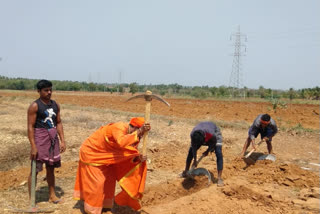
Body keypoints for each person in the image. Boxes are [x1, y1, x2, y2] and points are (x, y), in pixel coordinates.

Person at [73, 117, 151, 214]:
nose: (141, 136)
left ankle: (105, 207)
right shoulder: (119, 128)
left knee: (109, 180)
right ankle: (92, 210)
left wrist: (138, 158)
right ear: (135, 128)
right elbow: (121, 142)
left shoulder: (132, 135)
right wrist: (140, 131)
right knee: (98, 183)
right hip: (92, 154)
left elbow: (128, 152)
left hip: (107, 157)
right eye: (141, 133)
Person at [27, 79, 66, 204]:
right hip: (40, 138)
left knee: (51, 168)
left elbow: (58, 122)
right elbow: (30, 127)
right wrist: (33, 146)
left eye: (50, 90)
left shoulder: (55, 105)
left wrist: (62, 140)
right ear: (39, 91)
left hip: (52, 139)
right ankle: (32, 200)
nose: (49, 92)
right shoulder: (35, 106)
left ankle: (52, 195)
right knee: (35, 169)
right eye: (46, 90)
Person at [182, 121, 224, 187]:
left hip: (213, 134)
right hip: (203, 134)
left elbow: (214, 141)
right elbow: (193, 148)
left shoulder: (210, 134)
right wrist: (195, 160)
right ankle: (186, 171)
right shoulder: (193, 135)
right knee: (190, 153)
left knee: (218, 153)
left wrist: (208, 150)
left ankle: (219, 178)